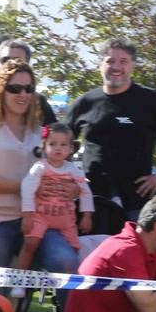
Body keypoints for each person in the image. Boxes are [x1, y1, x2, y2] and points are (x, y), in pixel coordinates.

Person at [0, 60, 79, 284]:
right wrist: (28, 185)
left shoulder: (43, 132)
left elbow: (64, 170)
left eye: (29, 89)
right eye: (15, 88)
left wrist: (72, 188)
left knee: (66, 262)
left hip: (38, 221)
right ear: (1, 90)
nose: (23, 94)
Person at [66, 39, 156, 217]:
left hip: (138, 203)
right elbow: (58, 142)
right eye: (110, 61)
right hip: (93, 203)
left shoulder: (155, 102)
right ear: (100, 64)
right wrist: (69, 179)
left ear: (133, 65)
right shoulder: (84, 103)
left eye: (123, 61)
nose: (116, 67)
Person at [16, 123, 93, 296]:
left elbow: (85, 191)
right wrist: (27, 215)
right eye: (52, 144)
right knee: (30, 244)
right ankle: (19, 281)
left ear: (71, 148)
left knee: (73, 251)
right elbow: (27, 188)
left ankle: (69, 291)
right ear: (44, 146)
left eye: (63, 144)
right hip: (41, 215)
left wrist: (87, 215)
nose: (58, 148)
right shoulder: (40, 168)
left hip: (66, 219)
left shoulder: (74, 170)